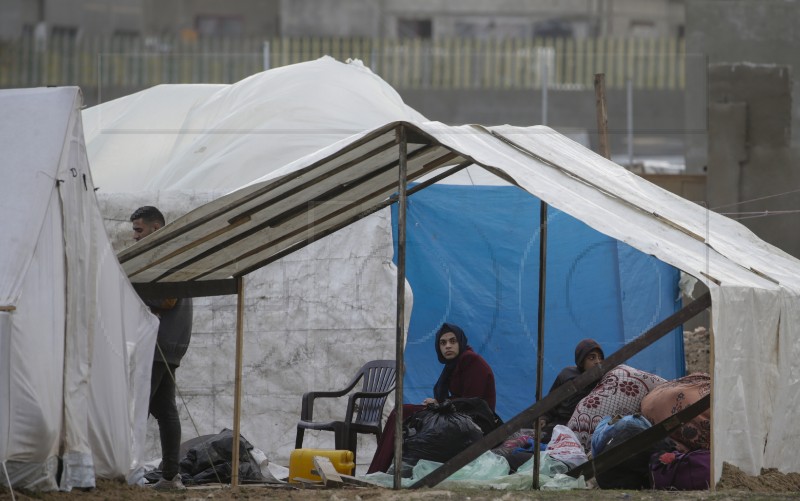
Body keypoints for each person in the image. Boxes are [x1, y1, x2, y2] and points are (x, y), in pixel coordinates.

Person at [367, 322, 496, 473]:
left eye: (452, 341)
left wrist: (439, 404)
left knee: (401, 412)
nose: (448, 346)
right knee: (402, 412)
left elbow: (474, 403)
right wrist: (441, 404)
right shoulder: (454, 365)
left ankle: (377, 470)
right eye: (443, 343)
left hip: (476, 423)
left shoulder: (470, 360)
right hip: (461, 417)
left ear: (460, 342)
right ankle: (382, 469)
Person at [130, 206, 193, 491]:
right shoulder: (174, 252)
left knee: (136, 407)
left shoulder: (167, 254)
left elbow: (166, 299)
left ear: (155, 229)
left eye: (138, 230)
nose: (135, 237)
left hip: (159, 343)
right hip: (171, 343)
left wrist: (130, 291)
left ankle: (126, 471)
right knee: (164, 409)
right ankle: (170, 476)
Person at [538, 338, 604, 442]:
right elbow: (550, 402)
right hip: (557, 423)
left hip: (579, 430)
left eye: (600, 358)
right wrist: (543, 417)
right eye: (592, 358)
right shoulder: (566, 374)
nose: (598, 362)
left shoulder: (603, 381)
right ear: (581, 361)